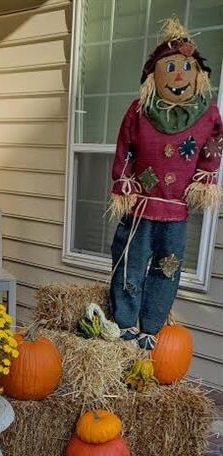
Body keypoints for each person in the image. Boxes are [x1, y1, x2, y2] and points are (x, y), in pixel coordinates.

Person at [109, 17, 222, 350]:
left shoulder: (208, 115)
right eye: (169, 66)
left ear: (197, 74)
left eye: (185, 67)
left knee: (166, 269)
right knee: (129, 263)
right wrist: (123, 180)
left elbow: (214, 146)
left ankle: (151, 327)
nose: (177, 75)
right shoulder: (139, 111)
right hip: (141, 209)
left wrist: (206, 175)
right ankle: (126, 325)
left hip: (175, 213)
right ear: (152, 75)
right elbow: (125, 148)